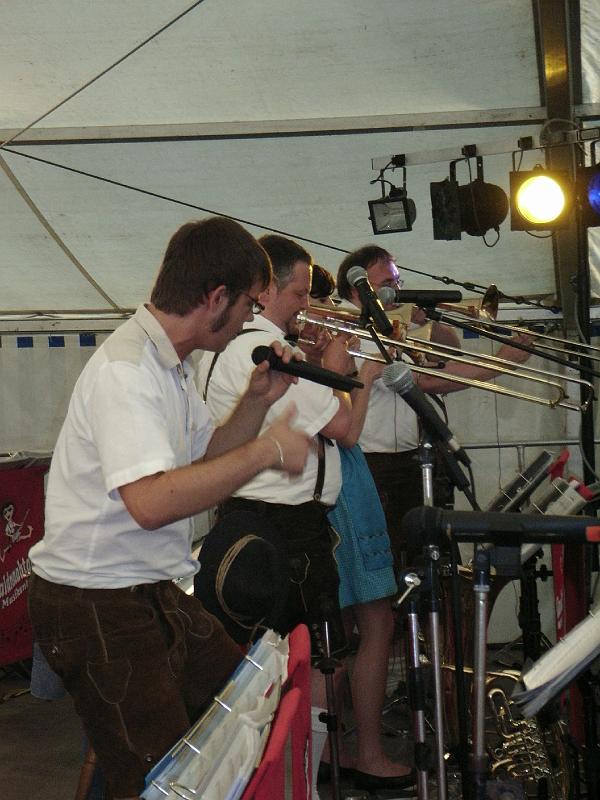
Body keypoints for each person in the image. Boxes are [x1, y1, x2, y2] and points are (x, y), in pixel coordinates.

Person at [27, 216, 312, 800]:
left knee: (243, 703)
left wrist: (257, 404)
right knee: (161, 782)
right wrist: (266, 452)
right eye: (248, 306)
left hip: (143, 589)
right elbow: (152, 503)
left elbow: (204, 457)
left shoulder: (169, 364)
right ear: (216, 298)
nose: (250, 321)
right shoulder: (128, 371)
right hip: (95, 601)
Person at [197, 235, 354, 794]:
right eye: (300, 294)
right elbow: (345, 428)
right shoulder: (263, 349)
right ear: (264, 292)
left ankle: (285, 777)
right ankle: (295, 780)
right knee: (304, 664)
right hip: (283, 527)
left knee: (277, 664)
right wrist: (344, 370)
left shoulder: (242, 347)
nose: (309, 306)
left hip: (257, 519)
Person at [336, 245, 533, 565]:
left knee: (422, 556)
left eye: (397, 282)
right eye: (387, 283)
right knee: (391, 560)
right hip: (375, 465)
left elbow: (448, 355)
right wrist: (501, 362)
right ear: (357, 290)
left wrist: (427, 321)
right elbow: (426, 380)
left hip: (405, 460)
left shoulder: (389, 325)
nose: (397, 291)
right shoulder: (352, 331)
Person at [308, 266, 414, 792]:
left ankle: (340, 750)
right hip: (337, 488)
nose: (329, 315)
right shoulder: (297, 357)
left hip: (342, 482)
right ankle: (363, 753)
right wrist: (363, 375)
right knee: (369, 623)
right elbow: (346, 431)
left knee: (353, 629)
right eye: (317, 303)